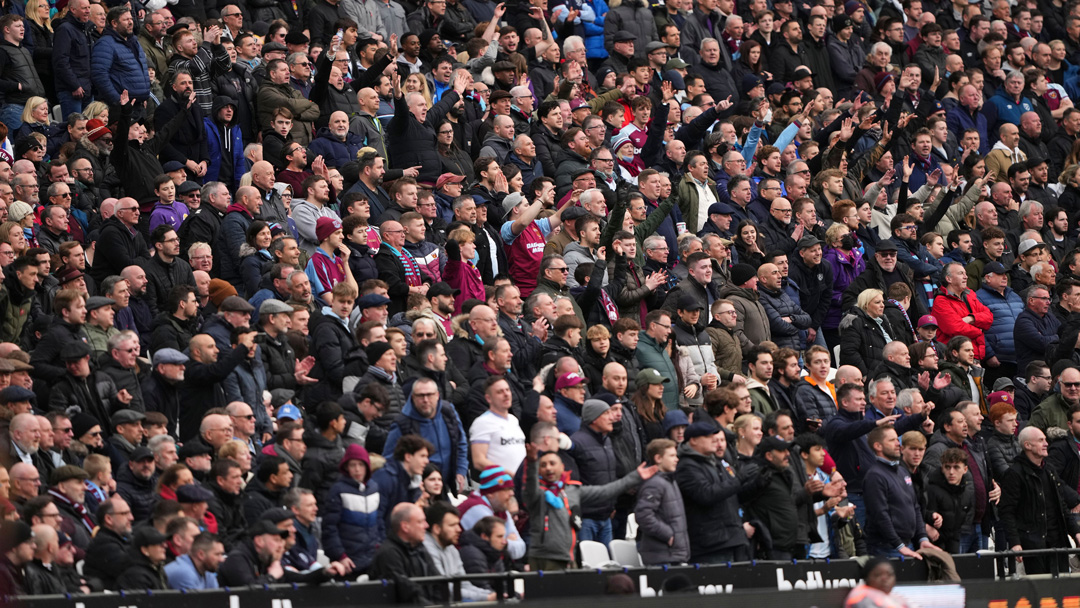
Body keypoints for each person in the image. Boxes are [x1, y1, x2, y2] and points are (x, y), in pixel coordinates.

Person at [1000, 426, 1080, 574]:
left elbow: (1061, 505)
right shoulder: (1014, 474)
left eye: (1045, 440)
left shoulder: (1050, 469)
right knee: (1041, 592)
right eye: (1041, 440)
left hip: (1058, 542)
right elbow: (1007, 511)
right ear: (1027, 445)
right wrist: (1015, 542)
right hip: (1033, 544)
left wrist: (1076, 532)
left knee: (1061, 590)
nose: (1046, 444)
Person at [863, 424, 937, 558]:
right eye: (892, 440)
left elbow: (915, 507)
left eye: (897, 439)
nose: (898, 444)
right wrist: (899, 545)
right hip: (885, 548)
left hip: (907, 544)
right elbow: (880, 515)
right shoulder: (875, 476)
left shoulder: (902, 471)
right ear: (878, 446)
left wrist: (922, 538)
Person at [634, 438, 688, 565]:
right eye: (672, 456)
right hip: (661, 558)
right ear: (658, 458)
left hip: (672, 555)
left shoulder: (670, 481)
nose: (676, 459)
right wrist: (668, 535)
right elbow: (643, 515)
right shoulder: (654, 484)